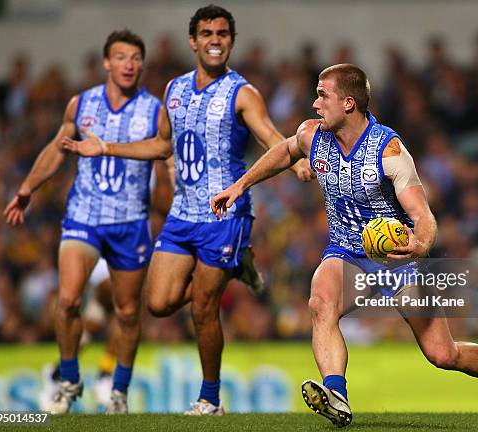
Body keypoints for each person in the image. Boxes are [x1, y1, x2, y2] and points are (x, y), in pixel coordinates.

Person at [210, 64, 478, 429]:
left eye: (323, 95)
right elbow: (284, 153)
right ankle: (337, 395)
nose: (316, 103)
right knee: (320, 301)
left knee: (444, 354)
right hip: (346, 253)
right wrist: (241, 185)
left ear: (348, 103)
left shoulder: (389, 151)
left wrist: (420, 245)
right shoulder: (311, 134)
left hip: (399, 262)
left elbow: (423, 215)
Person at [62, 4, 314, 416]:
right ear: (193, 41)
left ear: (231, 41)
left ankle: (210, 399)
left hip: (224, 214)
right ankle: (236, 267)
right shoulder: (175, 90)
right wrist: (106, 146)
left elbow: (270, 134)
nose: (215, 40)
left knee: (202, 307)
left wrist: (297, 159)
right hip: (182, 214)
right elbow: (163, 146)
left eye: (222, 34)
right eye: (207, 34)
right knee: (158, 303)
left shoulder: (242, 92)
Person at [4, 30, 162, 414]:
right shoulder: (82, 104)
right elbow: (58, 150)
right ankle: (69, 379)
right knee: (70, 300)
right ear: (106, 62)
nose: (129, 64)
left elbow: (164, 149)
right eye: (121, 57)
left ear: (141, 64)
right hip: (85, 217)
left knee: (125, 311)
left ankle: (117, 390)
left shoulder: (155, 110)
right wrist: (28, 188)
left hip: (130, 222)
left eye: (135, 57)